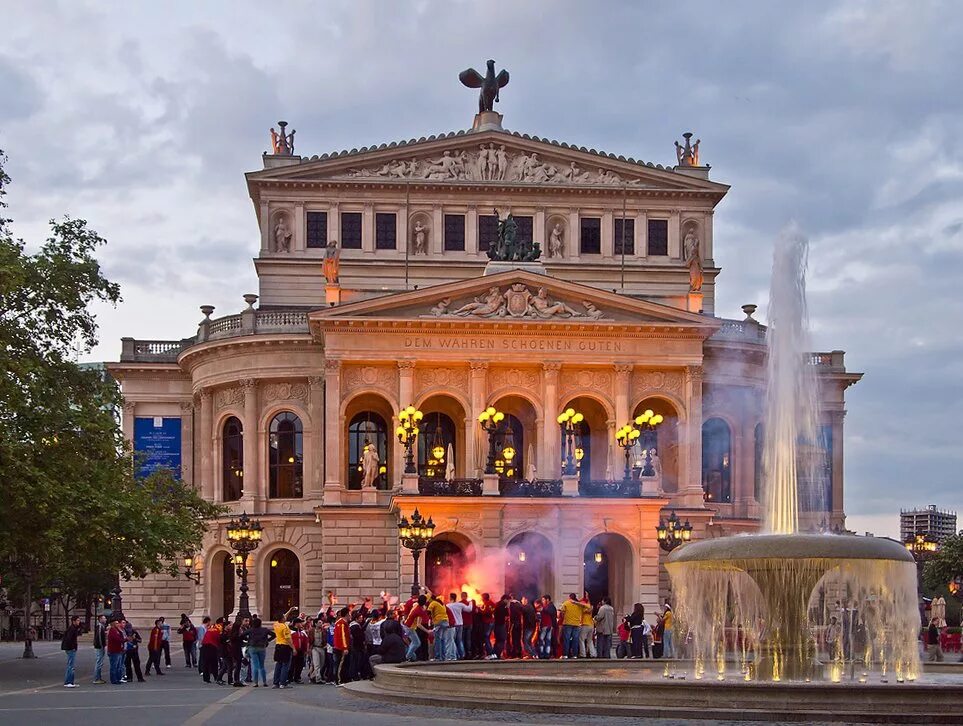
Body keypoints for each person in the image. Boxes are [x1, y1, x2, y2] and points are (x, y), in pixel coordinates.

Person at [242, 616, 274, 687]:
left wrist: (247, 640)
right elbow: (274, 635)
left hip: (252, 647)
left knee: (255, 665)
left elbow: (242, 635)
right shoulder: (264, 630)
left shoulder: (250, 630)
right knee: (262, 665)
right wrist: (267, 641)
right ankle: (264, 682)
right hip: (262, 647)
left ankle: (255, 682)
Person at [272, 607, 296, 688]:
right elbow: (288, 639)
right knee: (285, 665)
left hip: (278, 646)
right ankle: (283, 683)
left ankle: (276, 682)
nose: (285, 617)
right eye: (284, 617)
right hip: (285, 647)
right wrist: (293, 648)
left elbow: (284, 616)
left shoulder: (276, 624)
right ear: (282, 619)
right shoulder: (285, 627)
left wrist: (289, 610)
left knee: (278, 664)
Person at [559, 593, 588, 658]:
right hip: (577, 624)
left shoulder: (566, 603)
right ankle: (575, 655)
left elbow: (562, 612)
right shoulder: (579, 605)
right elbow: (587, 607)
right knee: (575, 640)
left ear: (569, 597)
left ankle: (565, 655)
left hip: (567, 623)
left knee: (566, 639)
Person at [446, 593, 474, 660]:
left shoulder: (448, 606)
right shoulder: (460, 604)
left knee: (453, 641)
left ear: (450, 598)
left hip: (453, 625)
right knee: (459, 641)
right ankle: (462, 654)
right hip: (460, 624)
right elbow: (469, 609)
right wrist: (470, 602)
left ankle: (456, 655)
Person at [403, 595, 429, 662]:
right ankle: (407, 657)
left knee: (414, 642)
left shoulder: (416, 605)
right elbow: (419, 625)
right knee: (417, 643)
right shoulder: (420, 611)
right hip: (410, 628)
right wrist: (428, 631)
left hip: (407, 626)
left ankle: (410, 656)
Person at [427, 594, 451, 661]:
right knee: (443, 639)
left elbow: (428, 612)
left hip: (438, 621)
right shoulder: (441, 603)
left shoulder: (433, 603)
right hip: (446, 621)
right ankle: (443, 657)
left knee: (437, 639)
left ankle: (438, 657)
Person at [61, 615, 82, 687]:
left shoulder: (73, 628)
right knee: (71, 665)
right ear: (74, 621)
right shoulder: (72, 629)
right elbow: (69, 639)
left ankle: (70, 682)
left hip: (70, 648)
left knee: (71, 665)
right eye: (77, 620)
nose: (79, 622)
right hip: (70, 648)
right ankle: (68, 682)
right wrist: (72, 647)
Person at [199, 616, 220, 684]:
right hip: (212, 647)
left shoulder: (210, 629)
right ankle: (216, 677)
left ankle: (206, 678)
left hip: (205, 646)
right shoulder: (217, 629)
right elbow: (218, 639)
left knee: (206, 663)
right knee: (214, 663)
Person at [332, 607, 350, 685]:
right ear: (347, 615)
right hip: (340, 647)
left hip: (338, 646)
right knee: (339, 664)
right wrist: (345, 647)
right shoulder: (342, 623)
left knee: (339, 664)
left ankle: (339, 679)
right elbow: (343, 636)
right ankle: (338, 681)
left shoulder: (339, 622)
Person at [107, 618, 127, 685]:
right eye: (116, 623)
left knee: (118, 665)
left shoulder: (117, 630)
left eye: (118, 623)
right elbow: (117, 639)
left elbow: (121, 637)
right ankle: (114, 679)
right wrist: (126, 639)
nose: (118, 624)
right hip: (114, 651)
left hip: (118, 650)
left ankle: (118, 678)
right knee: (114, 666)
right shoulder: (112, 630)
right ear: (113, 624)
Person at [579, 593, 597, 658]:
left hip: (585, 625)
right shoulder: (591, 606)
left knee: (581, 639)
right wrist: (587, 597)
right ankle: (593, 654)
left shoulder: (583, 608)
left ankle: (583, 654)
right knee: (590, 641)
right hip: (591, 625)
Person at [492, 595, 510, 660]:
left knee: (497, 640)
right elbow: (507, 614)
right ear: (505, 599)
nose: (509, 602)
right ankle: (498, 655)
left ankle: (494, 654)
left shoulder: (497, 604)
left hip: (496, 625)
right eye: (508, 600)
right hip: (501, 625)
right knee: (502, 640)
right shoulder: (503, 605)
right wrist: (507, 607)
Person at [478, 593, 496, 659]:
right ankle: (492, 653)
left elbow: (485, 612)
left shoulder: (487, 604)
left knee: (486, 638)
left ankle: (490, 653)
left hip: (487, 622)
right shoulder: (492, 603)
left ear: (484, 598)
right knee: (487, 637)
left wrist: (479, 609)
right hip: (492, 622)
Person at [92, 614, 108, 684]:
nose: (105, 619)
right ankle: (97, 678)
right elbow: (99, 637)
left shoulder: (102, 627)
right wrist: (102, 645)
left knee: (100, 662)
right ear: (100, 619)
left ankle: (98, 677)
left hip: (100, 646)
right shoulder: (100, 627)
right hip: (99, 647)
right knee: (99, 662)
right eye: (104, 618)